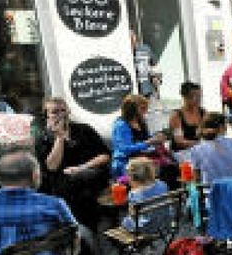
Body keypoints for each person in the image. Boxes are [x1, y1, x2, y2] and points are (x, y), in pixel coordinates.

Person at [34, 96, 110, 234]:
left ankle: (90, 230)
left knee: (84, 181)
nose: (60, 115)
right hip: (61, 184)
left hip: (89, 175)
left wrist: (82, 167)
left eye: (63, 110)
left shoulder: (84, 130)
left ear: (68, 111)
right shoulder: (43, 138)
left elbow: (104, 155)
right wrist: (59, 138)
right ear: (47, 115)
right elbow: (52, 166)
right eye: (54, 112)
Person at [110, 94, 169, 180]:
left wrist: (157, 138)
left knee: (169, 167)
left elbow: (145, 138)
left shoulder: (141, 121)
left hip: (142, 157)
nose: (145, 111)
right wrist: (148, 142)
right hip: (126, 161)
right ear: (131, 109)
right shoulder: (121, 125)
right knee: (161, 170)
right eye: (142, 108)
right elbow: (125, 149)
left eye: (146, 108)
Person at [190, 112, 232, 183]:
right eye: (226, 125)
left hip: (210, 190)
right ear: (221, 127)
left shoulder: (196, 150)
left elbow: (196, 179)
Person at [124, 157, 169, 231]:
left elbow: (133, 215)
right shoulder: (162, 184)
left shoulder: (134, 194)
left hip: (148, 228)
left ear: (132, 178)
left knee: (126, 221)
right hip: (165, 222)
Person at [168, 82, 206, 152]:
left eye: (199, 96)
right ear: (185, 97)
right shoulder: (176, 115)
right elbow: (179, 142)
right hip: (181, 152)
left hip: (198, 149)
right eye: (194, 96)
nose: (198, 99)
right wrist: (200, 143)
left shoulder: (203, 112)